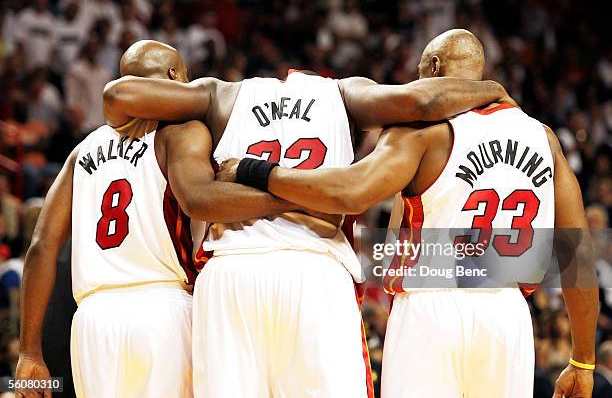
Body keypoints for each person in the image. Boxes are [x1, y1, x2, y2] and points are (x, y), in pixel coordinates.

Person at [103, 38, 514, 398]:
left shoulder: (221, 94)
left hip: (232, 272)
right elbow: (422, 102)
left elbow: (120, 97)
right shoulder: (345, 93)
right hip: (317, 270)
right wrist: (491, 89)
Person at [216, 29, 599, 398]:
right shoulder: (543, 137)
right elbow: (578, 257)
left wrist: (255, 170)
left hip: (430, 309)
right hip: (506, 315)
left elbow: (350, 193)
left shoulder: (422, 131)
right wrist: (583, 361)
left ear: (433, 68)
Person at [15, 41, 307, 398]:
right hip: (164, 311)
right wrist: (293, 197)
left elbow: (41, 246)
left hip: (92, 321)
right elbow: (204, 200)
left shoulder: (83, 149)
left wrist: (29, 352)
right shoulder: (180, 132)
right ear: (174, 75)